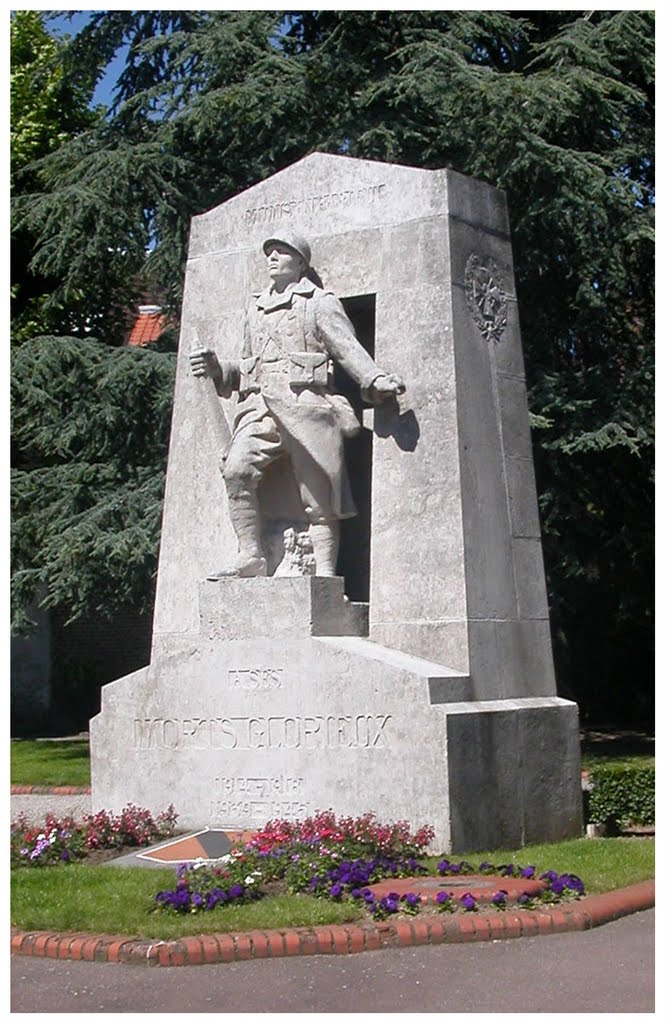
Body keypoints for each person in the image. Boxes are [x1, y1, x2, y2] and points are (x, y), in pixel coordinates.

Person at [190, 233, 404, 578]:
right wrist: (218, 369)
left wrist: (373, 378)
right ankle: (250, 554)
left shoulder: (318, 302)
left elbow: (345, 346)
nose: (272, 258)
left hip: (307, 406)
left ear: (300, 263)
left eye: (281, 253)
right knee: (236, 471)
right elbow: (247, 365)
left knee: (318, 497)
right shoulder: (254, 308)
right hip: (259, 408)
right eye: (269, 253)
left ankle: (323, 573)